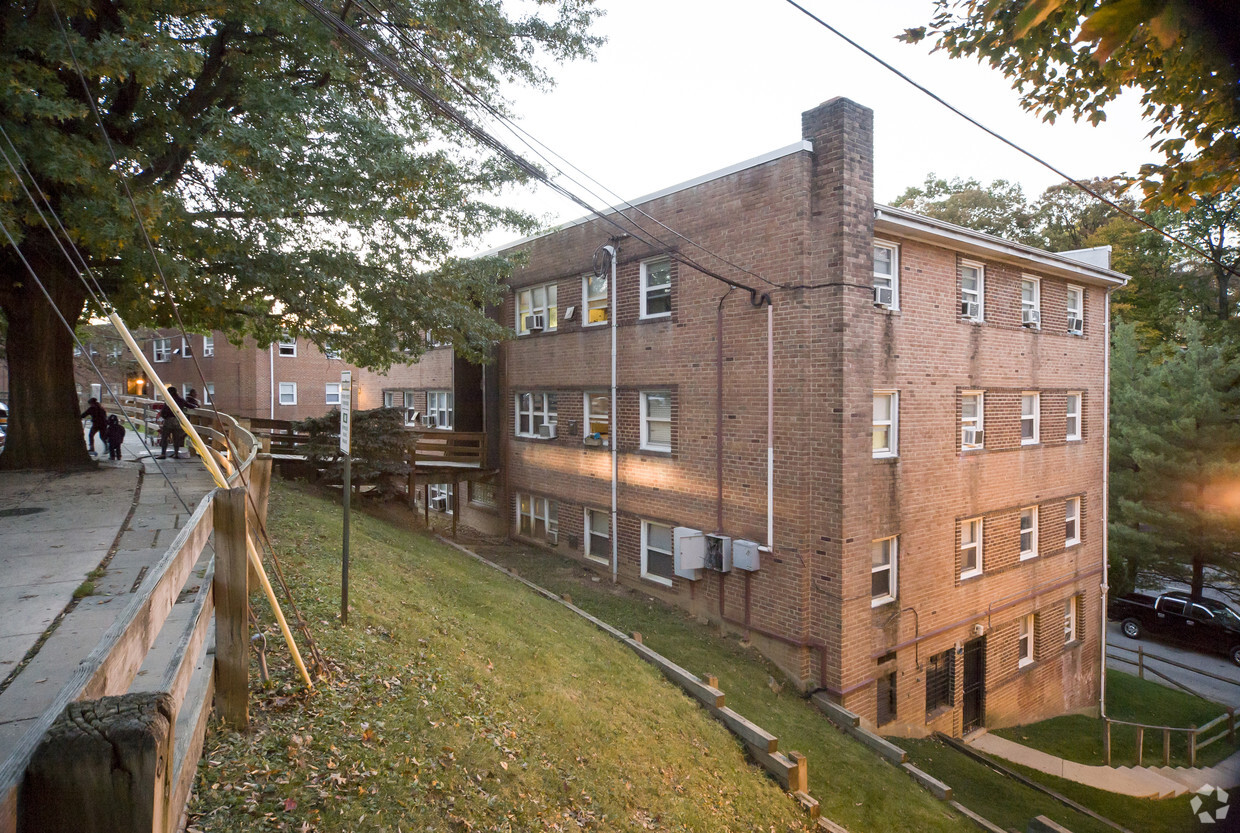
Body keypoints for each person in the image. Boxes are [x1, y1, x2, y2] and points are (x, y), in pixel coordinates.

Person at [157, 389, 187, 459]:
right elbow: (188, 405)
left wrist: (163, 416)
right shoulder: (181, 400)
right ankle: (176, 453)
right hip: (177, 420)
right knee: (176, 438)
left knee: (165, 437)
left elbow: (164, 411)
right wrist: (195, 405)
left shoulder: (169, 400)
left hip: (168, 421)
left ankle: (163, 454)